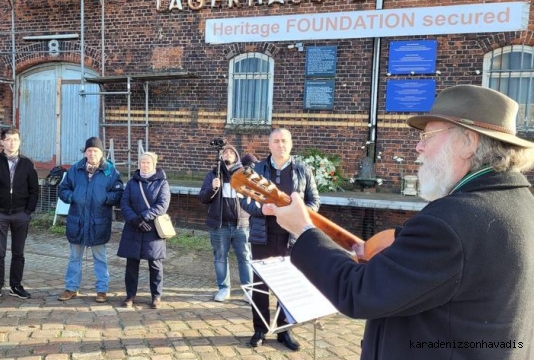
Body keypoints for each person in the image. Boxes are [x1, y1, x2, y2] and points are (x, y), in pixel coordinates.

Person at [269, 85, 534, 360]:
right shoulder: (521, 202)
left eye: (428, 136)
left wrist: (303, 229)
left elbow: (357, 293)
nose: (419, 146)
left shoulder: (452, 222)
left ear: (468, 143)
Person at [240, 128, 320, 351]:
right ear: (269, 145)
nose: (280, 145)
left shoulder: (303, 170)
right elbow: (245, 200)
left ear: (291, 144)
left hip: (291, 238)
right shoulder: (256, 169)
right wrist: (260, 209)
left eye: (284, 141)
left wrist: (300, 213)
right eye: (275, 141)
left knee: (288, 285)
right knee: (260, 286)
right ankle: (260, 329)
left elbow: (315, 201)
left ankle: (284, 330)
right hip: (262, 236)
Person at [57, 137, 123, 303]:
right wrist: (72, 196)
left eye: (95, 150)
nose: (92, 153)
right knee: (74, 257)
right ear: (85, 152)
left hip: (98, 222)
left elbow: (119, 193)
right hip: (77, 221)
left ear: (102, 152)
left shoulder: (111, 172)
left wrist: (105, 198)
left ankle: (102, 290)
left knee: (100, 257)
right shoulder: (75, 170)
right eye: (89, 150)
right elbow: (63, 189)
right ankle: (71, 288)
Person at [0, 127, 39, 301]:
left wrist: (28, 211)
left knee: (18, 253)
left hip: (21, 214)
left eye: (15, 139)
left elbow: (34, 190)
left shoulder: (27, 164)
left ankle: (16, 286)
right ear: (2, 142)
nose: (12, 143)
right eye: (8, 139)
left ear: (19, 142)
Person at [199, 144, 252, 302]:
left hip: (241, 224)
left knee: (245, 257)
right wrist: (212, 188)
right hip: (219, 225)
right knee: (220, 258)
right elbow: (202, 198)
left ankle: (248, 290)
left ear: (236, 156)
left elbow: (255, 195)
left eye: (231, 152)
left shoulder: (245, 174)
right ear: (221, 156)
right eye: (224, 152)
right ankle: (224, 288)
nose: (227, 154)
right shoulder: (213, 174)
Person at [117, 152, 171, 309]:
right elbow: (124, 203)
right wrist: (134, 219)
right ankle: (130, 296)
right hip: (133, 228)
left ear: (154, 164)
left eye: (148, 162)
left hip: (152, 229)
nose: (144, 165)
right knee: (131, 264)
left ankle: (156, 296)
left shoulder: (162, 183)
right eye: (142, 162)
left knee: (155, 264)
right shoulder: (132, 183)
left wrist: (144, 217)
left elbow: (162, 205)